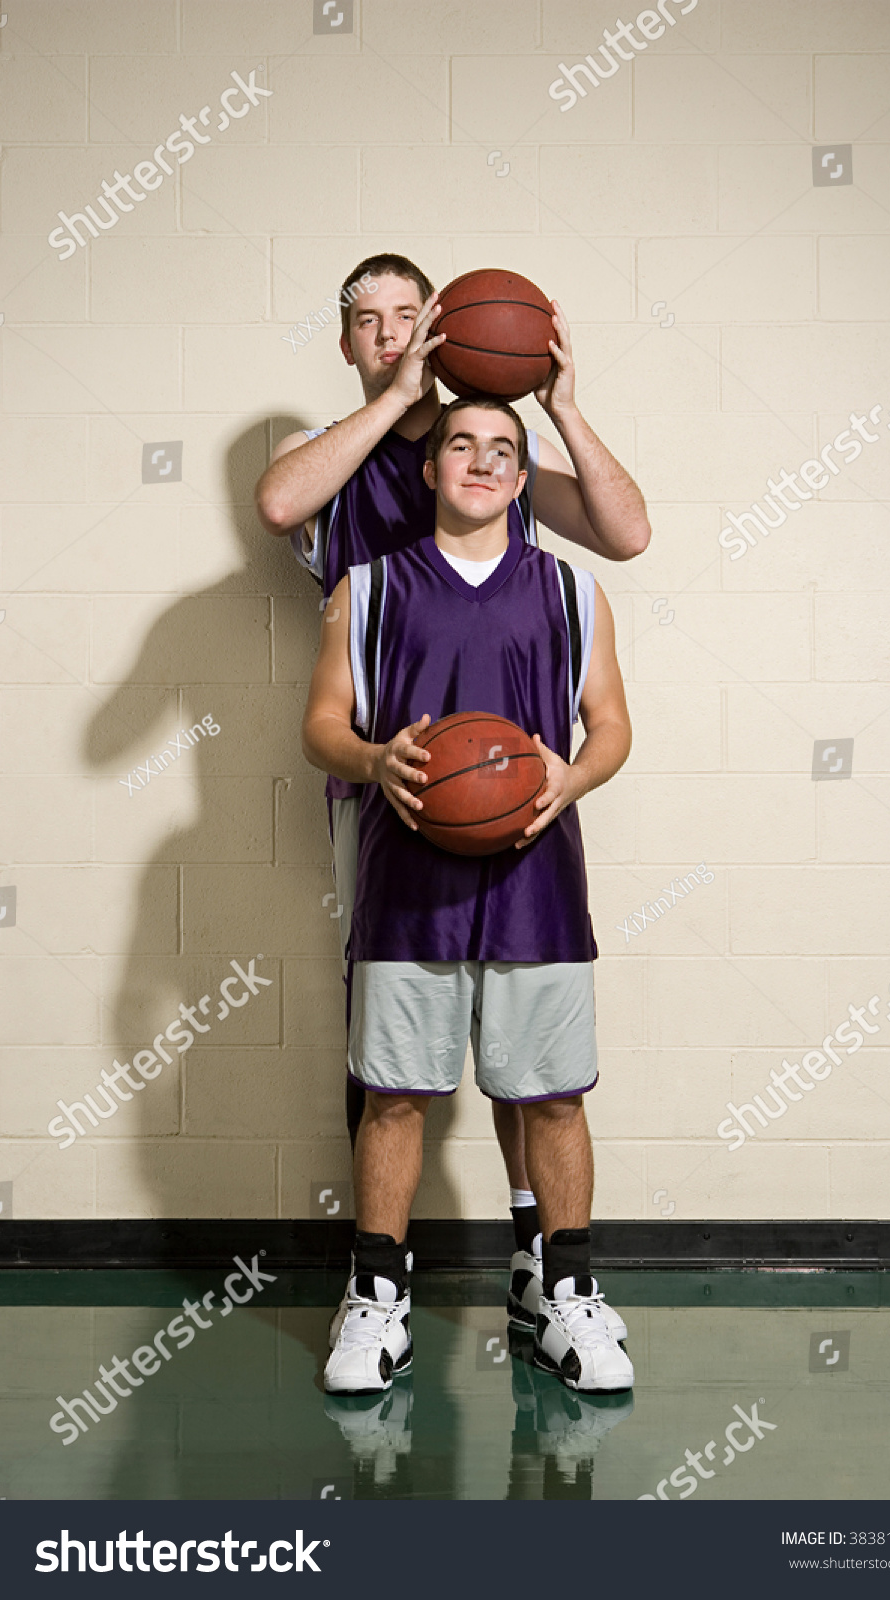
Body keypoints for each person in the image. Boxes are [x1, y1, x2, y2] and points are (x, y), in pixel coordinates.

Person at [255, 252, 650, 1316]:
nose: (387, 332)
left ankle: (540, 1253)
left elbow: (625, 531)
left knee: (529, 1030)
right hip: (382, 781)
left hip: (507, 776)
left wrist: (553, 406)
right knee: (391, 1033)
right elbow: (278, 498)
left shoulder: (486, 449)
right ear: (347, 343)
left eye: (405, 316)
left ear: (437, 323)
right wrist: (393, 404)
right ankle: (376, 1282)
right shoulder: (343, 459)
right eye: (367, 321)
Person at [301, 396, 634, 1396]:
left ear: (523, 476)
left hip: (538, 872)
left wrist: (571, 777)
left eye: (502, 450)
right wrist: (371, 755)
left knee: (554, 1094)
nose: (481, 463)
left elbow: (609, 725)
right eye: (461, 446)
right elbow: (318, 723)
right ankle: (375, 1300)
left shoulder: (573, 592)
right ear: (429, 468)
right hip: (407, 877)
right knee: (396, 1093)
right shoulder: (364, 588)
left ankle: (561, 1296)